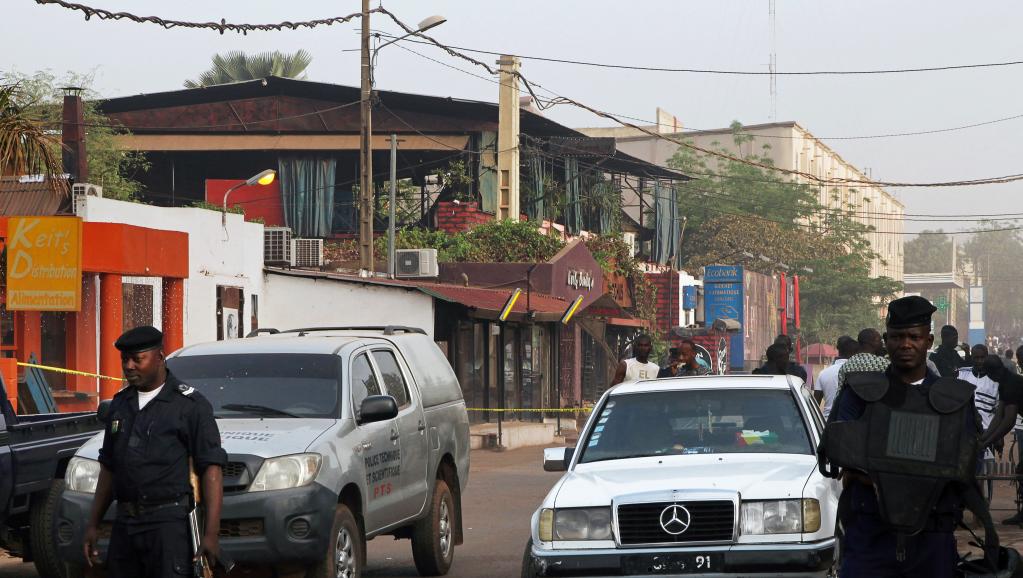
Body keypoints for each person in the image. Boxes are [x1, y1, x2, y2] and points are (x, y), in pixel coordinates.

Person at [822, 296, 993, 577]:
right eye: (897, 336)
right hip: (870, 535)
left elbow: (963, 467)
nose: (905, 344)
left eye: (914, 336)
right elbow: (843, 455)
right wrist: (927, 467)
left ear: (928, 340)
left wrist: (876, 468)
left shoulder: (954, 399)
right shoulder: (860, 391)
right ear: (886, 340)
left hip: (932, 535)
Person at [83, 326, 228, 577]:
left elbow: (211, 470)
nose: (129, 366)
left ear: (160, 357)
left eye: (137, 359)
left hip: (167, 525)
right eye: (124, 360)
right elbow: (109, 467)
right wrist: (93, 524)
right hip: (125, 524)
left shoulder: (190, 406)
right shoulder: (120, 404)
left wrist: (211, 534)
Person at [976, 356, 1023, 524]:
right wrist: (983, 438)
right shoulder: (1006, 382)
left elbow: (1008, 422)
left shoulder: (1010, 384)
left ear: (989, 373)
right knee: (1021, 469)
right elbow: (998, 417)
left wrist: (986, 443)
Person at [957, 345, 999, 503]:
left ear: (987, 357)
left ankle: (983, 507)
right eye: (976, 357)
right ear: (972, 357)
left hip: (987, 433)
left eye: (982, 357)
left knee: (985, 473)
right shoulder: (962, 374)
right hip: (964, 431)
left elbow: (998, 411)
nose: (980, 361)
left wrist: (997, 436)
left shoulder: (996, 380)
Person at [814, 335, 856, 421]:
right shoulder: (857, 372)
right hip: (851, 422)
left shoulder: (823, 373)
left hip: (827, 422)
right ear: (854, 349)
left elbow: (815, 404)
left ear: (837, 348)